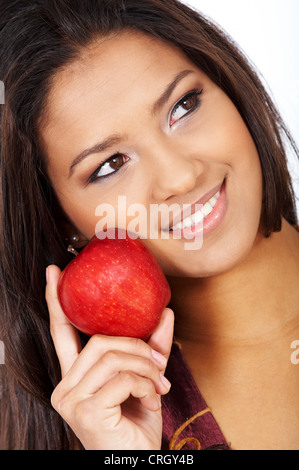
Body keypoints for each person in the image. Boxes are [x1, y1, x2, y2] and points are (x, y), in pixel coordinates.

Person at [0, 0, 298, 451]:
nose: (181, 176)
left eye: (183, 106)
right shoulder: (116, 422)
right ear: (63, 221)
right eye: (110, 164)